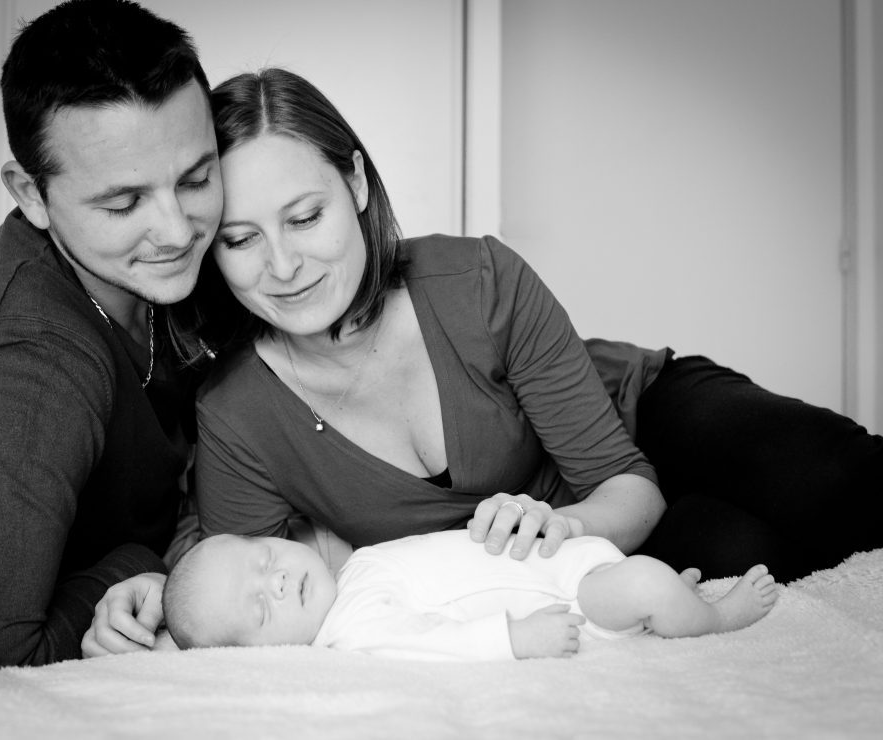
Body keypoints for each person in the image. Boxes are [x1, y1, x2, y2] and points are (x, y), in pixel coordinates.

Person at [84, 67, 881, 656]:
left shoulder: (474, 280)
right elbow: (238, 578)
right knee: (746, 553)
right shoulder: (239, 411)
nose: (284, 265)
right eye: (241, 239)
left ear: (356, 182)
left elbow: (626, 484)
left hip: (638, 421)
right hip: (575, 560)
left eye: (305, 216)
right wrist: (158, 594)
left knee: (834, 480)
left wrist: (562, 521)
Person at [0, 0, 221, 677]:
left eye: (197, 177)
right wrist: (139, 566)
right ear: (30, 194)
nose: (176, 229)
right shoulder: (26, 362)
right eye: (122, 203)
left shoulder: (200, 251)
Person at [162, 531, 779, 661]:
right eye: (262, 606)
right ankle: (715, 617)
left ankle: (671, 603)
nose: (276, 579)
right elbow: (435, 644)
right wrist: (514, 638)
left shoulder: (354, 570)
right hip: (571, 601)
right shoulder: (354, 628)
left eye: (264, 557)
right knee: (644, 582)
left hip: (562, 560)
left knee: (648, 578)